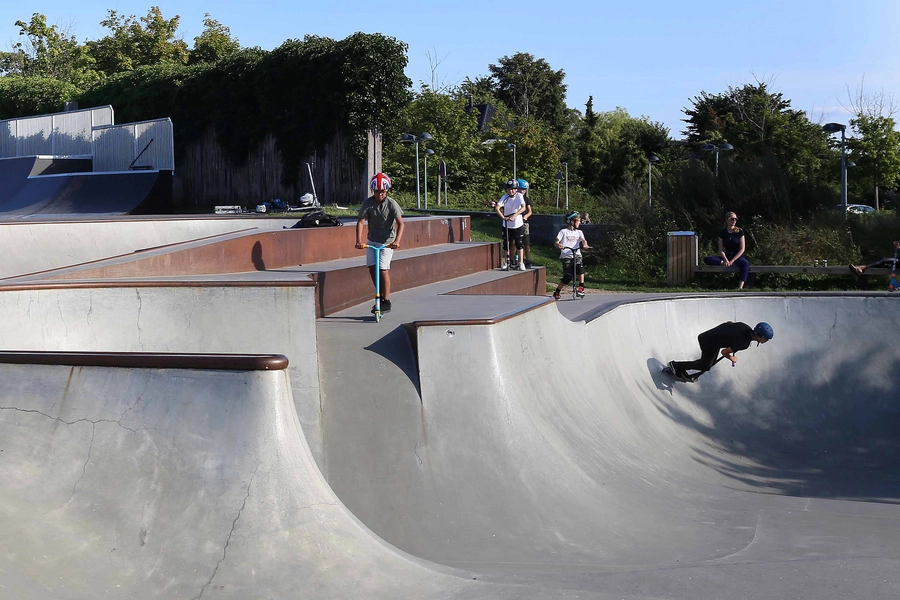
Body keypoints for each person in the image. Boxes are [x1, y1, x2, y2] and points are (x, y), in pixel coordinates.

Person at [356, 172, 404, 314]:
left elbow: (401, 224)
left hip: (387, 242)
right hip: (372, 240)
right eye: (377, 192)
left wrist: (397, 241)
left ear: (387, 191)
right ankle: (379, 293)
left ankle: (386, 300)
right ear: (373, 191)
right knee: (371, 267)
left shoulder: (391, 204)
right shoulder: (368, 203)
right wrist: (358, 240)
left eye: (382, 191)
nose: (380, 194)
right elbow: (360, 222)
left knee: (383, 269)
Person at [667, 321, 773, 382]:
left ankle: (681, 369)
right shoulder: (744, 343)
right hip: (708, 342)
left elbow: (729, 322)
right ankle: (675, 365)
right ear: (759, 336)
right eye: (766, 339)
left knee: (711, 362)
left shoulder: (745, 327)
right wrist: (732, 358)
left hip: (712, 338)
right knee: (706, 366)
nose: (766, 341)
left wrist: (727, 337)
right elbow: (724, 352)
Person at [703, 211, 750, 289]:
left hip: (737, 256)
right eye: (732, 219)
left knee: (745, 263)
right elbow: (721, 249)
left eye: (735, 219)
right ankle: (722, 263)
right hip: (727, 255)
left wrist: (732, 261)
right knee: (707, 259)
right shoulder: (723, 233)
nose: (734, 220)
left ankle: (740, 287)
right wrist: (725, 260)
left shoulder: (739, 231)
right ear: (727, 220)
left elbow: (742, 249)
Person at [552, 211, 590, 300]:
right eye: (578, 221)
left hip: (576, 255)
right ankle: (557, 291)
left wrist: (585, 245)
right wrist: (559, 245)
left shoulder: (579, 232)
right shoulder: (563, 232)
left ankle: (581, 287)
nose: (580, 222)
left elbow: (583, 240)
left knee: (580, 268)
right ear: (571, 222)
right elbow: (556, 242)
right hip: (567, 257)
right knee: (568, 277)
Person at [494, 179, 527, 271]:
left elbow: (523, 207)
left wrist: (515, 215)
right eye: (509, 189)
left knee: (519, 243)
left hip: (517, 223)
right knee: (506, 243)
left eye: (513, 189)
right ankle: (506, 262)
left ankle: (521, 263)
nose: (511, 191)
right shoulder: (504, 197)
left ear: (516, 189)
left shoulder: (519, 196)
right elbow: (497, 208)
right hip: (507, 224)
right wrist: (503, 217)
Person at [518, 178, 534, 268]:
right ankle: (513, 259)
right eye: (521, 189)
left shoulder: (526, 199)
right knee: (513, 242)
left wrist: (525, 216)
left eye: (524, 189)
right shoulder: (515, 198)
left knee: (526, 242)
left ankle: (527, 260)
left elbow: (530, 211)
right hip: (515, 222)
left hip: (524, 223)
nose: (523, 191)